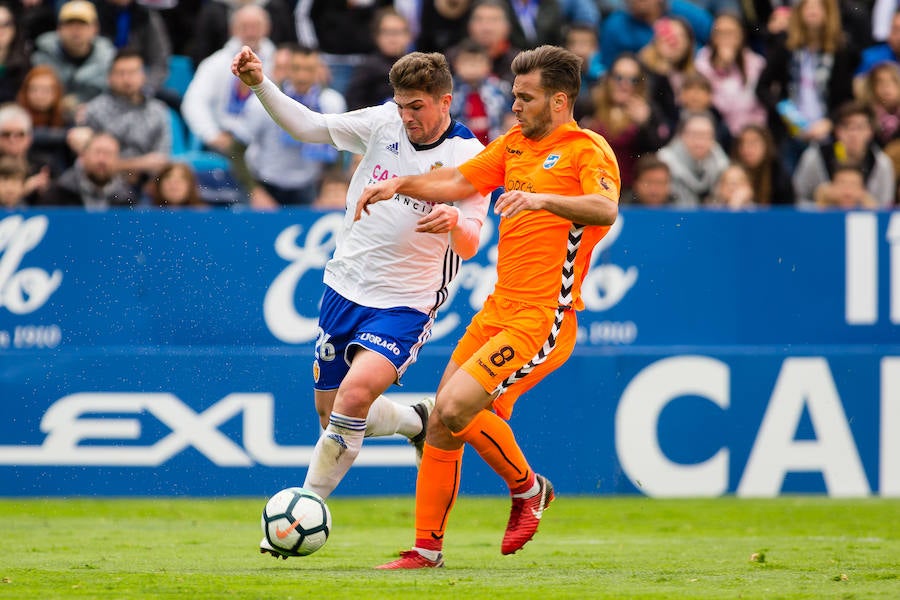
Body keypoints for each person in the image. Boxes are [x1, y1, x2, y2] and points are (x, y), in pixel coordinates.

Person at [354, 45, 620, 569]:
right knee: (441, 422)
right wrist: (400, 184)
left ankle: (527, 490)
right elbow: (457, 182)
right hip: (498, 309)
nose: (514, 105)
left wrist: (544, 200)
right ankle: (426, 551)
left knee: (453, 408)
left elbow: (605, 208)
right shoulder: (513, 145)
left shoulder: (588, 150)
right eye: (515, 95)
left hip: (543, 317)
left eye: (526, 97)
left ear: (560, 101)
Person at [231, 46, 491, 558]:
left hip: (407, 302)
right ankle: (416, 420)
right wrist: (261, 82)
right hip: (344, 287)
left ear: (445, 101)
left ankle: (299, 512)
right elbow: (307, 128)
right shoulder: (381, 123)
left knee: (352, 400)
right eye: (401, 104)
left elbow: (472, 242)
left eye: (416, 106)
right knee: (333, 417)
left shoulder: (471, 158)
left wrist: (454, 222)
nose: (406, 116)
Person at [239, 44, 346, 208]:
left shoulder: (331, 103)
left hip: (310, 185)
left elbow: (339, 148)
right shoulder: (261, 102)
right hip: (267, 184)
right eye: (296, 68)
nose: (302, 76)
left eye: (309, 69)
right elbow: (237, 148)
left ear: (319, 70)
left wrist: (327, 190)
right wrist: (255, 190)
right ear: (287, 69)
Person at [74, 49, 171, 194]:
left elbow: (161, 160)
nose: (127, 79)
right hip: (104, 184)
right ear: (109, 77)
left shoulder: (158, 111)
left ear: (143, 76)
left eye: (132, 72)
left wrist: (118, 165)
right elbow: (89, 162)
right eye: (120, 73)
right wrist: (137, 165)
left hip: (147, 185)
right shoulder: (94, 110)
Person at [792, 100, 895, 207]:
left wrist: (868, 204)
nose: (853, 134)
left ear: (870, 131)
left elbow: (886, 205)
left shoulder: (881, 164)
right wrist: (821, 204)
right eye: (847, 127)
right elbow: (798, 198)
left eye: (860, 127)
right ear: (837, 131)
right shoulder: (815, 157)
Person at [31, 1, 116, 112]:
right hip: (51, 117)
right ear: (59, 28)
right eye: (69, 24)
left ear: (95, 28)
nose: (76, 30)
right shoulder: (41, 58)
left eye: (82, 24)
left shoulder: (109, 60)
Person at [36, 131, 136, 209]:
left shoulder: (127, 198)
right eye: (97, 152)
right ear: (83, 156)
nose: (102, 160)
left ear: (117, 160)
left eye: (108, 154)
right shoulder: (59, 192)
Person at [344, 8, 413, 111]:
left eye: (397, 32)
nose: (392, 38)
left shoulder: (416, 68)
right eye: (387, 32)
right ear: (377, 36)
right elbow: (354, 105)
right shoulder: (366, 68)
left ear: (408, 36)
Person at [657, 110, 730, 206]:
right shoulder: (664, 161)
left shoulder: (723, 164)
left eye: (704, 135)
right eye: (694, 134)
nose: (699, 141)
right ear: (681, 135)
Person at [449, 38, 512, 145]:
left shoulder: (500, 88)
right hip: (459, 147)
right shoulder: (449, 91)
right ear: (456, 65)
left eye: (478, 62)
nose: (472, 67)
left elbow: (508, 116)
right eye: (467, 62)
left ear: (488, 65)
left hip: (493, 146)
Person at [730, 123, 794, 206]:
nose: (747, 148)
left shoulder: (779, 176)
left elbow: (787, 212)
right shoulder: (731, 173)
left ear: (766, 145)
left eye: (754, 142)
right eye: (742, 143)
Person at [813, 163, 878, 209]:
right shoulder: (818, 212)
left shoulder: (871, 218)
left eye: (853, 184)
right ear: (832, 187)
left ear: (862, 190)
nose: (847, 190)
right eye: (842, 183)